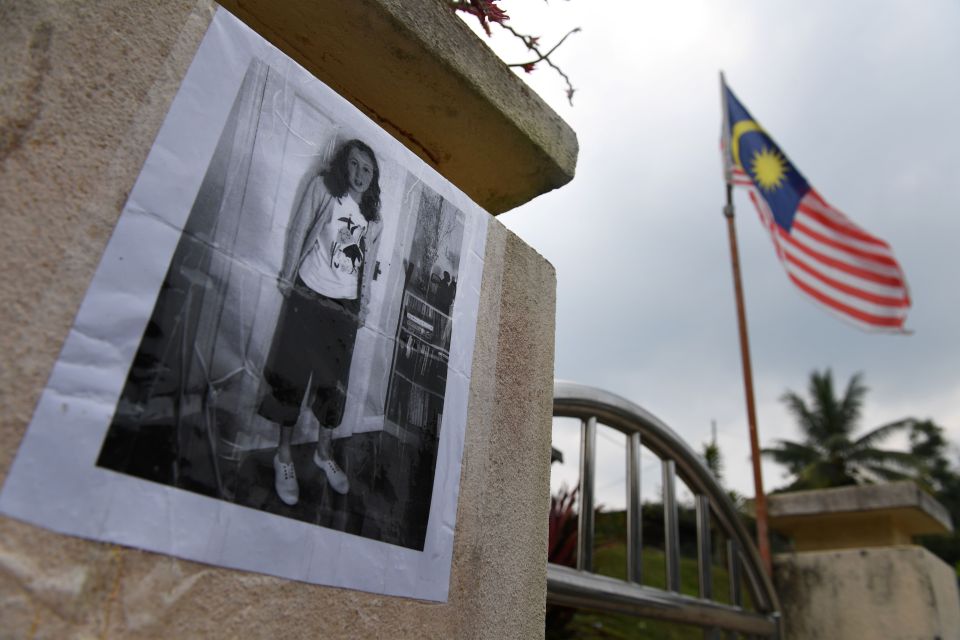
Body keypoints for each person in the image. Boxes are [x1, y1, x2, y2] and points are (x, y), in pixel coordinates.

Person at [258, 139, 382, 506]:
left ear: (373, 177)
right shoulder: (323, 188)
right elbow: (299, 229)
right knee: (292, 373)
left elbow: (368, 264)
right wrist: (286, 273)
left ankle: (323, 453)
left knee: (333, 383)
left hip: (345, 306)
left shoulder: (374, 215)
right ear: (345, 165)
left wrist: (364, 307)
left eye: (367, 170)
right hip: (309, 291)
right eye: (355, 165)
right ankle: (283, 455)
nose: (360, 175)